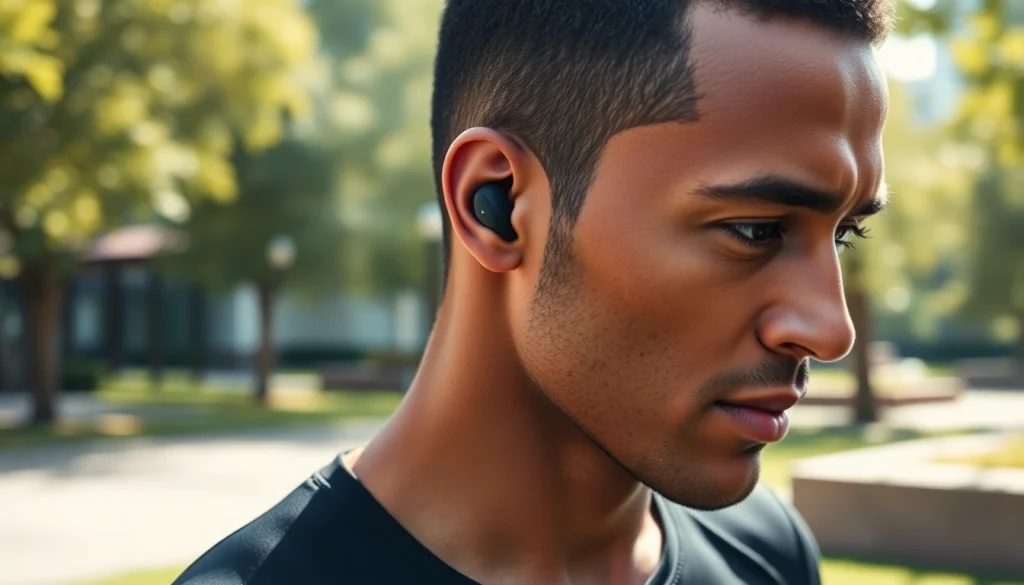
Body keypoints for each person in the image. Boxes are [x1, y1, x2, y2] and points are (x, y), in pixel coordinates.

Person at [173, 0, 894, 583]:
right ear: (497, 203)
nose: (831, 330)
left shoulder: (769, 554)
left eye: (843, 234)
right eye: (755, 230)